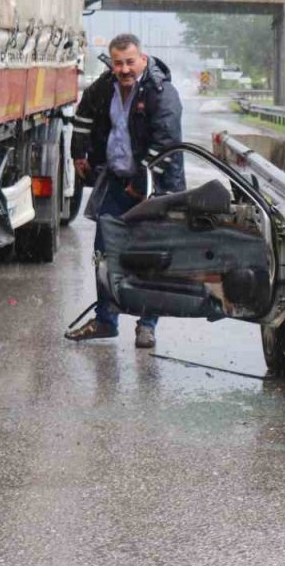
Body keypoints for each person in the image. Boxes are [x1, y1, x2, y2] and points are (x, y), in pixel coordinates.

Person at [64, 33, 185, 348]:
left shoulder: (161, 93)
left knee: (148, 258)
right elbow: (84, 114)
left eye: (130, 61)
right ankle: (106, 320)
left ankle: (147, 326)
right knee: (105, 255)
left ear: (142, 59)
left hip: (153, 188)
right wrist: (79, 153)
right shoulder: (105, 86)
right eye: (118, 63)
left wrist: (139, 182)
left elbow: (166, 143)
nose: (124, 69)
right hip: (116, 183)